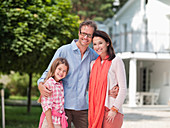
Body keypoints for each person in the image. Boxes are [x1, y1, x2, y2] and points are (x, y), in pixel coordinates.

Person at [37, 20, 98, 128]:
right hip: (63, 108)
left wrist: (113, 88)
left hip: (83, 108)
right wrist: (40, 85)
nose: (85, 37)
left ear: (93, 37)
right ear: (79, 33)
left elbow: (102, 77)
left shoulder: (94, 56)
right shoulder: (63, 51)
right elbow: (48, 72)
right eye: (83, 33)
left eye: (89, 35)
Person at [88, 30, 127, 128]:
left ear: (108, 43)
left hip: (111, 110)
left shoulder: (116, 61)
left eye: (100, 43)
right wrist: (105, 92)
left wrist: (114, 109)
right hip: (96, 110)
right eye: (95, 44)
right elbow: (93, 88)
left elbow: (123, 89)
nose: (98, 47)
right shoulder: (93, 64)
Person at [38, 58, 69, 128]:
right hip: (50, 122)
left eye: (64, 71)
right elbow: (47, 107)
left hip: (59, 121)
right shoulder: (49, 84)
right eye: (59, 69)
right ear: (54, 68)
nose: (61, 72)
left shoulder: (60, 84)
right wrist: (50, 125)